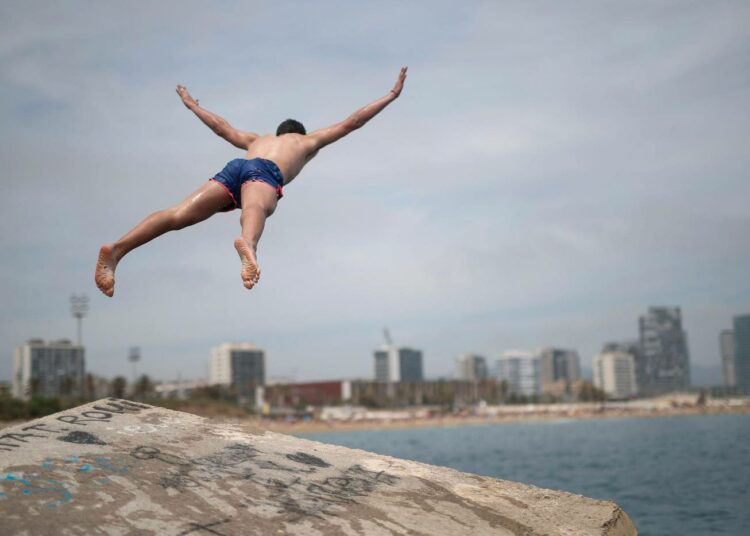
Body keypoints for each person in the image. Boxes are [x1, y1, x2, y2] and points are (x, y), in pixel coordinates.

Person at [95, 67, 408, 297]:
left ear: (278, 131)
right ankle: (250, 245)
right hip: (265, 172)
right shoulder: (306, 141)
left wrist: (192, 105)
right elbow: (352, 122)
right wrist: (391, 96)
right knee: (256, 206)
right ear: (298, 133)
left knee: (178, 215)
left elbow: (221, 127)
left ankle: (117, 250)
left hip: (238, 166)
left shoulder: (257, 139)